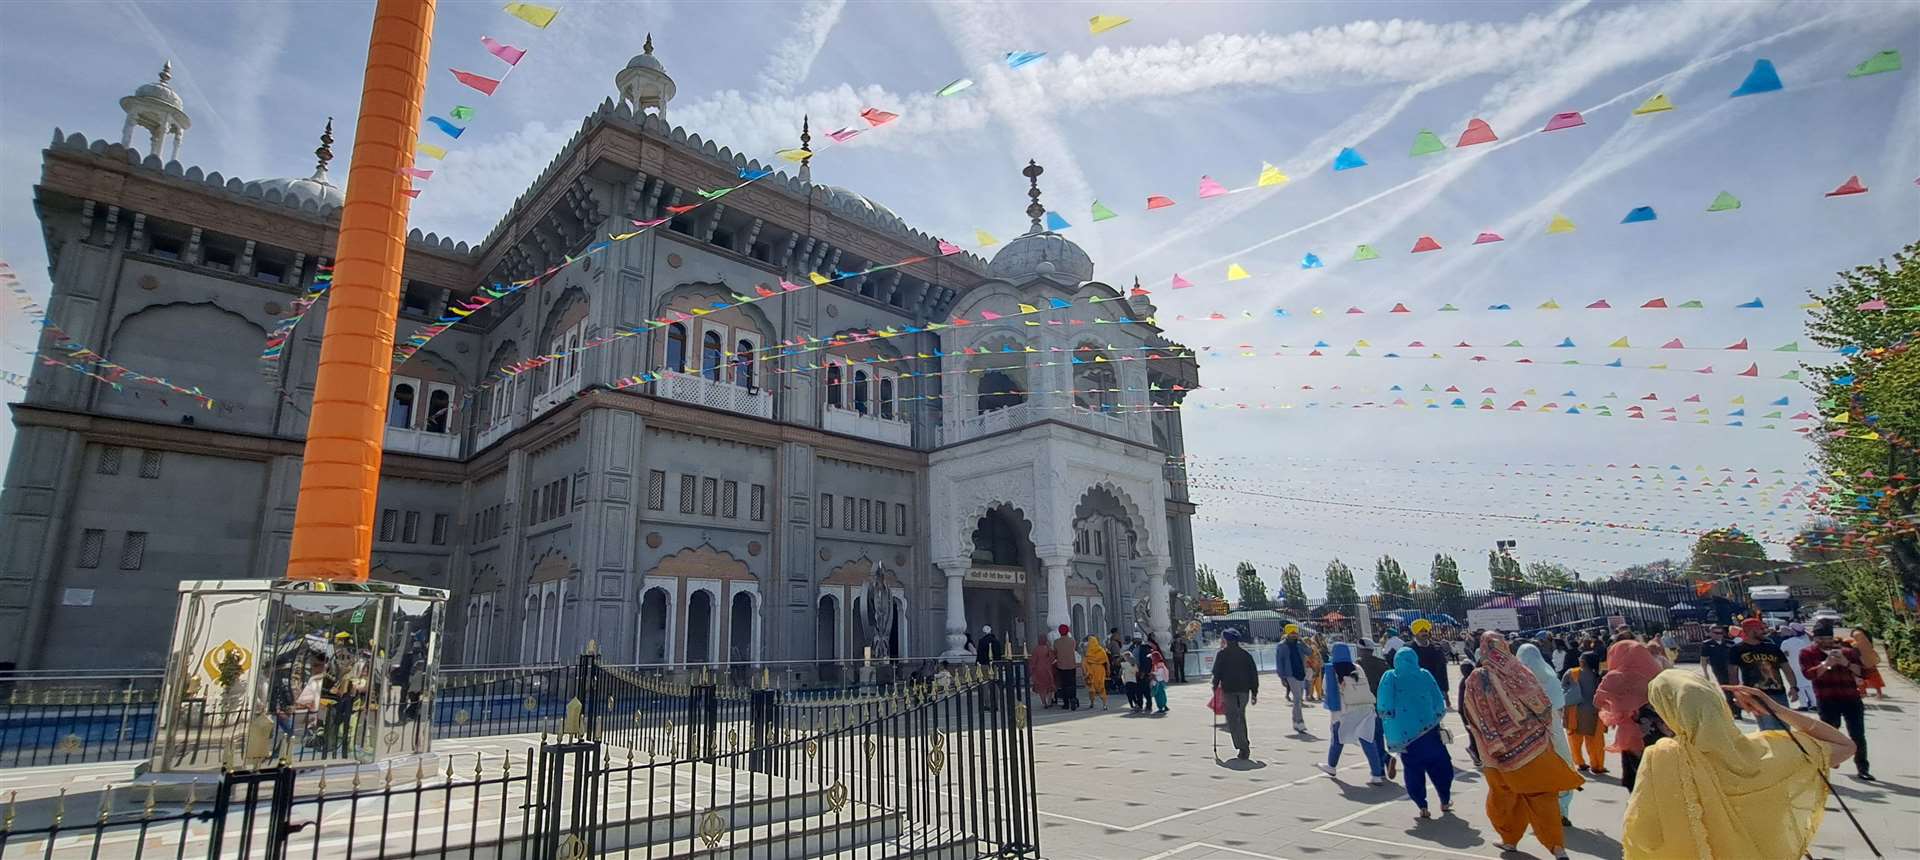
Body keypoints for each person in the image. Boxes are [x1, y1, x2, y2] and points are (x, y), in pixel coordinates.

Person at [1621, 671, 1857, 860]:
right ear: (1719, 705)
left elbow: (1643, 833)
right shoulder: (1769, 751)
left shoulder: (1664, 757)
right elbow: (1845, 746)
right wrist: (1775, 709)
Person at [1461, 634, 1583, 859]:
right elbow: (1544, 705)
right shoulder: (1521, 671)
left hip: (1497, 754)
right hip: (1535, 748)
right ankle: (1557, 847)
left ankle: (1509, 840)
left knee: (1504, 797)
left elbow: (1474, 715)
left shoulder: (1478, 678)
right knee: (1542, 796)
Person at [1377, 645, 1453, 819]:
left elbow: (1384, 705)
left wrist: (1390, 721)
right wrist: (1435, 716)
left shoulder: (1390, 677)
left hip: (1406, 736)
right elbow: (1438, 700)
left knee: (1413, 771)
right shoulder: (1424, 674)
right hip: (1429, 730)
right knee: (1441, 766)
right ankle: (1445, 800)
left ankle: (1422, 806)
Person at [1800, 621, 1874, 781]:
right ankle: (1829, 763)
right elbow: (1809, 675)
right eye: (1820, 639)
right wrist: (1826, 664)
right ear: (1814, 638)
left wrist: (1845, 663)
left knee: (1858, 734)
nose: (1824, 642)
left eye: (1827, 638)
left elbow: (1864, 673)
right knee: (1828, 735)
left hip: (1851, 698)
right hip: (1827, 699)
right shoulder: (1807, 653)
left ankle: (1863, 767)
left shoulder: (1848, 652)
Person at [1594, 640, 1666, 791]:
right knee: (1659, 770)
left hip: (1630, 732)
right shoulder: (1656, 672)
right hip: (1659, 729)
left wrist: (1619, 707)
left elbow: (1598, 701)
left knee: (1636, 774)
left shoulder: (1614, 677)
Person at [1518, 643, 1577, 822]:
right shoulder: (1551, 677)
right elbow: (1559, 708)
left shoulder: (1521, 680)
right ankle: (1562, 810)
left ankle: (1541, 812)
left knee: (1536, 772)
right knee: (1562, 766)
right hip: (1555, 732)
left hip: (1532, 734)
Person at [1319, 643, 1387, 784]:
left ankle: (1331, 766)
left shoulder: (1332, 671)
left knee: (1337, 740)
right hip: (1366, 708)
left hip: (1345, 711)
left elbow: (1328, 692)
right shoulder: (1357, 668)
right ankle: (1376, 775)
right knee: (1368, 741)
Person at [1727, 617, 1792, 729]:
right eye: (1761, 629)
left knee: (1785, 726)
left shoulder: (1772, 648)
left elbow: (1786, 668)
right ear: (1752, 630)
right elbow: (1733, 674)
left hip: (1779, 693)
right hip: (1756, 695)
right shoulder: (1737, 650)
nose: (1764, 631)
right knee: (1768, 728)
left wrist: (1794, 687)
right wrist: (1737, 695)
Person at [1211, 629, 1259, 760]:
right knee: (1240, 716)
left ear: (1226, 640)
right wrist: (1254, 692)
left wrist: (1214, 686)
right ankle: (1244, 743)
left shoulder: (1222, 654)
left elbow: (1217, 673)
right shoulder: (1245, 654)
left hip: (1229, 690)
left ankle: (1242, 745)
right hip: (1244, 690)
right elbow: (1253, 674)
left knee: (1232, 718)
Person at [1563, 649, 1607, 774]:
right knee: (1595, 740)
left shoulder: (1572, 673)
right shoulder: (1600, 675)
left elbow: (1563, 687)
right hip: (1595, 711)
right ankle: (1597, 765)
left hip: (1575, 711)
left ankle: (1580, 763)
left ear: (1582, 662)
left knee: (1575, 740)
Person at [1273, 624, 1309, 732]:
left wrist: (1302, 642)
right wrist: (1282, 677)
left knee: (1298, 699)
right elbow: (1279, 662)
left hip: (1301, 673)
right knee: (1297, 698)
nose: (1294, 635)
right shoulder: (1282, 646)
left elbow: (1309, 652)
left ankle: (1295, 720)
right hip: (1290, 674)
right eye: (1292, 633)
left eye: (1295, 633)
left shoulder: (1299, 644)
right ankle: (1299, 721)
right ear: (1287, 634)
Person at [1409, 620, 1452, 710]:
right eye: (1421, 631)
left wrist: (1445, 689)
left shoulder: (1436, 647)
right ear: (1415, 633)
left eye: (1426, 631)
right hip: (1418, 688)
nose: (1424, 633)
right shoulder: (1409, 649)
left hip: (1435, 687)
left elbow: (1442, 669)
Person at [1698, 623, 1737, 715]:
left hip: (1732, 668)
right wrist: (1705, 672)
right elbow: (1704, 659)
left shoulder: (1730, 643)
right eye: (1716, 632)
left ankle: (1736, 708)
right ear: (1710, 633)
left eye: (1720, 632)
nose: (1719, 634)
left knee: (1736, 687)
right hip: (1718, 668)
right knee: (1726, 688)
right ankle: (1734, 710)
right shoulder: (1707, 644)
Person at [1779, 623, 1817, 711]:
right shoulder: (1805, 641)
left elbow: (1782, 654)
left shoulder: (1786, 642)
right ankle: (1814, 704)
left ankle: (1803, 704)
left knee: (1798, 685)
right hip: (1805, 665)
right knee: (1809, 685)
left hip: (1794, 667)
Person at [1456, 660, 1481, 767]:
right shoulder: (1473, 680)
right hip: (1469, 711)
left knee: (1473, 733)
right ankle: (1475, 752)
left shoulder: (1464, 681)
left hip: (1465, 711)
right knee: (1475, 733)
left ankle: (1475, 753)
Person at [1050, 624, 1080, 711]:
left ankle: (1066, 703)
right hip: (1071, 665)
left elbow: (1055, 653)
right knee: (1072, 684)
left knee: (1064, 685)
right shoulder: (1072, 641)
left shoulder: (1056, 642)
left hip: (1061, 666)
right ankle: (1073, 699)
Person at [1851, 628, 1886, 698]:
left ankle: (1863, 692)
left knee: (1860, 677)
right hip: (1870, 663)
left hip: (1861, 663)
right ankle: (1878, 693)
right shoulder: (1867, 643)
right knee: (1874, 677)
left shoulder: (1855, 644)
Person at [1028, 636, 1057, 707]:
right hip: (1048, 670)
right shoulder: (1048, 649)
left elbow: (1033, 661)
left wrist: (1031, 670)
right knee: (1049, 686)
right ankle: (1049, 701)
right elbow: (1052, 658)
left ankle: (1044, 702)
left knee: (1041, 688)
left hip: (1038, 670)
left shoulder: (1036, 650)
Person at [1083, 635, 1110, 710]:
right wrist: (1108, 671)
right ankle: (1104, 704)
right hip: (1100, 670)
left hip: (1091, 670)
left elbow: (1085, 662)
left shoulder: (1088, 651)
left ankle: (1092, 703)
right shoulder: (1101, 650)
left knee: (1091, 687)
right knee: (1101, 687)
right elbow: (1107, 662)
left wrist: (1085, 672)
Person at [1118, 644, 1143, 712]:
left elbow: (1119, 664)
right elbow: (1136, 671)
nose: (1125, 658)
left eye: (1125, 657)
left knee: (1130, 694)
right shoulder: (1132, 664)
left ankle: (1134, 705)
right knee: (1131, 694)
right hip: (1130, 680)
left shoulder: (1127, 664)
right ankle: (1134, 705)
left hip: (1130, 681)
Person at [1305, 636, 1326, 702]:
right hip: (1311, 668)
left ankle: (1316, 695)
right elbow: (1308, 659)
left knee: (1316, 682)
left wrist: (1320, 663)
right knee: (1312, 682)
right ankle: (1311, 695)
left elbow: (1319, 657)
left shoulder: (1312, 647)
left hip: (1316, 667)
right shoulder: (1306, 649)